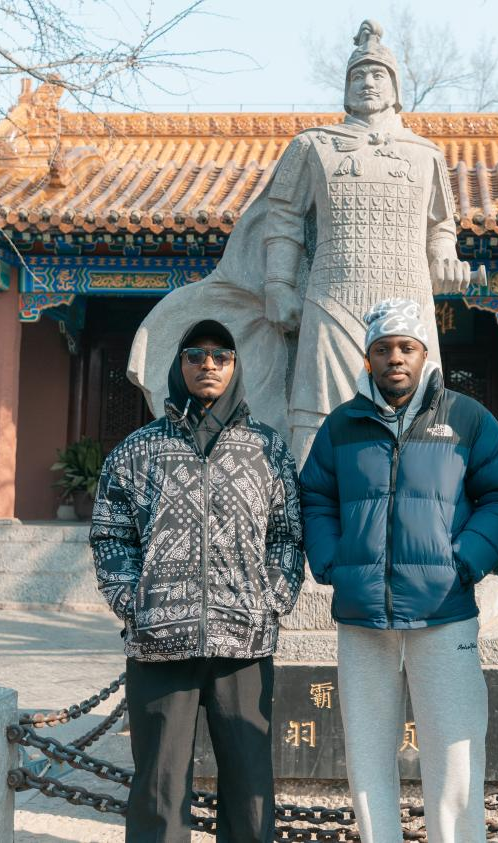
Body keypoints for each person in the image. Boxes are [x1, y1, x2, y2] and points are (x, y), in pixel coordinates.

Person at [128, 19, 471, 465]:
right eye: (358, 75)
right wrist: (278, 285)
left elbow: (440, 225)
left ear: (395, 88)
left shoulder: (426, 154)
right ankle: (305, 504)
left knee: (419, 418)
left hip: (410, 304)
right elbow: (283, 216)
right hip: (332, 300)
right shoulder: (314, 146)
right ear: (346, 87)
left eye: (377, 75)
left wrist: (445, 258)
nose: (368, 83)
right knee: (317, 421)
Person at [301, 298, 498, 843]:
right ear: (368, 358)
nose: (395, 359)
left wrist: (465, 560)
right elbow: (316, 496)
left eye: (406, 347)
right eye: (383, 349)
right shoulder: (343, 424)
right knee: (367, 752)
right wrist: (332, 561)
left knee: (455, 749)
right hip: (362, 615)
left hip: (443, 611)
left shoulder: (466, 418)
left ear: (425, 354)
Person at [90, 319, 304, 843]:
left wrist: (272, 600)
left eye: (221, 356)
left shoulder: (267, 449)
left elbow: (287, 535)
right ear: (178, 364)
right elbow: (109, 534)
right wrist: (134, 602)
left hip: (244, 640)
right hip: (158, 640)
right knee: (158, 788)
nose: (208, 364)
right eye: (195, 355)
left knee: (250, 788)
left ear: (235, 367)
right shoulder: (137, 451)